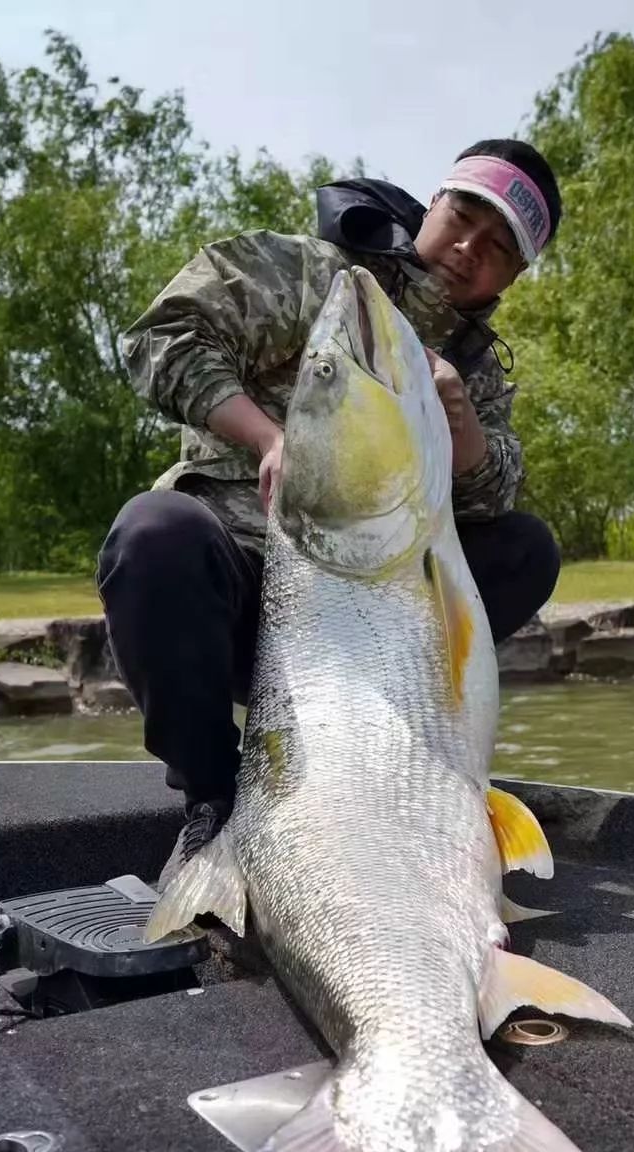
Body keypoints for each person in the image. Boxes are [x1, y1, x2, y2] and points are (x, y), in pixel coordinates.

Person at [98, 138, 563, 889]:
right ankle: (215, 806)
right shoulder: (315, 273)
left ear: (515, 275)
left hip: (368, 622)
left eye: (502, 247)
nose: (471, 247)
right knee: (153, 536)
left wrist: (467, 435)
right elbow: (163, 334)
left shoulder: (478, 368)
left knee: (527, 550)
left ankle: (390, 759)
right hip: (241, 589)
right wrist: (271, 439)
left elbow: (493, 495)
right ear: (434, 204)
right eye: (465, 215)